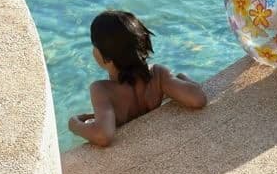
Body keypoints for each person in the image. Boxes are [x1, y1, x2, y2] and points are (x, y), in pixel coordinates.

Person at [68, 10, 207, 147]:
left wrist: (75, 125)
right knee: (177, 79)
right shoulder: (158, 74)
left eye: (94, 46)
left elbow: (103, 136)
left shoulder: (102, 90)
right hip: (155, 141)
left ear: (107, 57)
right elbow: (198, 99)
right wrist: (182, 78)